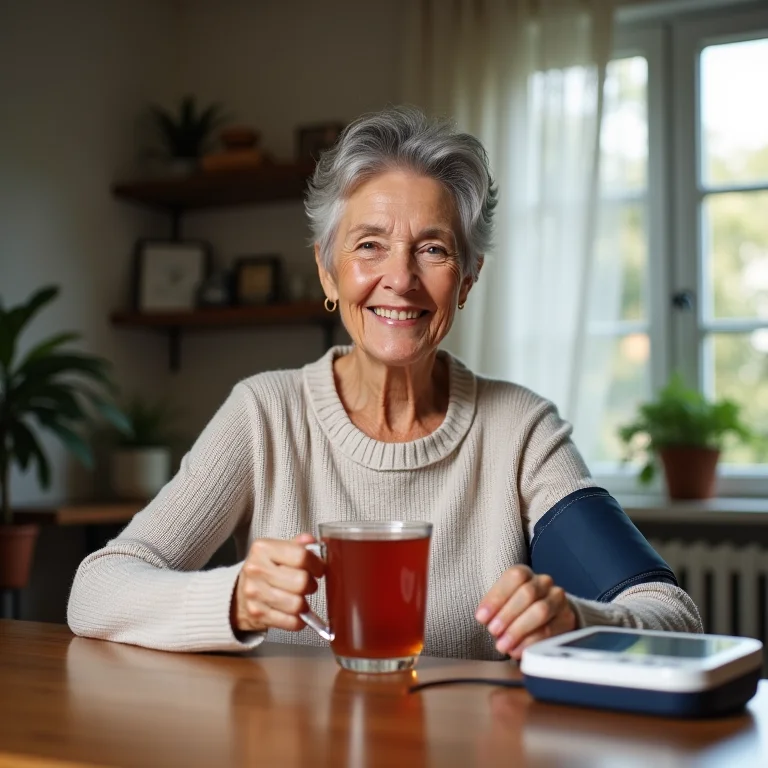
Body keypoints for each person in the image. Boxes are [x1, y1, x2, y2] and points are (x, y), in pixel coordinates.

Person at [68, 107, 701, 660]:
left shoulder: (520, 430)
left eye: (433, 250)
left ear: (469, 278)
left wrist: (578, 620)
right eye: (369, 244)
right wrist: (234, 598)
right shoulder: (265, 414)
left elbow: (671, 615)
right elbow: (96, 590)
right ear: (327, 270)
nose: (399, 278)